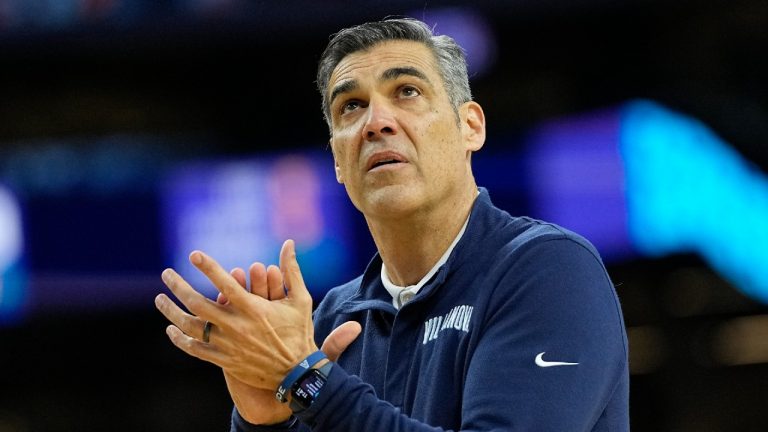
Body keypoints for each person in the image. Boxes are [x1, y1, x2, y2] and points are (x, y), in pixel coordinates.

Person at [155, 17, 629, 431]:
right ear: (338, 161)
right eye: (351, 107)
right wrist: (264, 422)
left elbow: (315, 387)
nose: (376, 121)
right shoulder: (331, 322)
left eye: (407, 92)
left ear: (471, 127)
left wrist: (305, 378)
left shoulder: (549, 271)